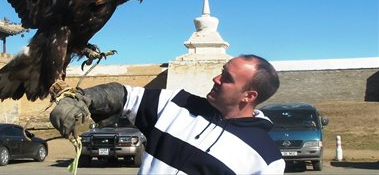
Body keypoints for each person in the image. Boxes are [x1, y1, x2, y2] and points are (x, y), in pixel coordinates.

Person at [50, 54, 286, 174]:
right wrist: (83, 98)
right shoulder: (176, 103)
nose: (216, 78)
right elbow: (123, 95)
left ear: (249, 96)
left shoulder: (266, 159)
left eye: (227, 79)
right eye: (221, 72)